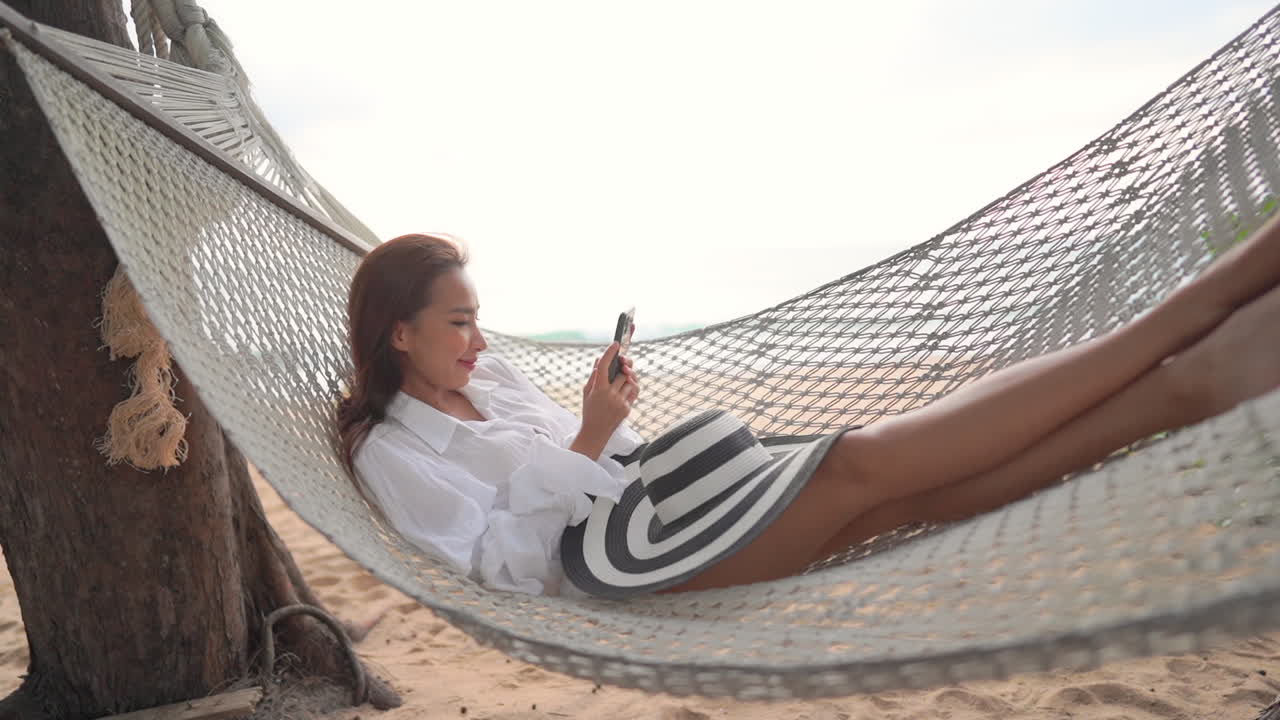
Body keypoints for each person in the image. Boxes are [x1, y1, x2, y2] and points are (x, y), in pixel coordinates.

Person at [338, 224, 1280, 598]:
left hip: (678, 504)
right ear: (398, 335)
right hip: (630, 567)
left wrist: (608, 417)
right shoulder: (393, 453)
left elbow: (607, 455)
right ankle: (1198, 309)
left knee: (903, 495)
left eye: (479, 320)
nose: (479, 341)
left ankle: (1187, 385)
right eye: (460, 323)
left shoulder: (492, 384)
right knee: (860, 461)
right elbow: (496, 568)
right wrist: (588, 437)